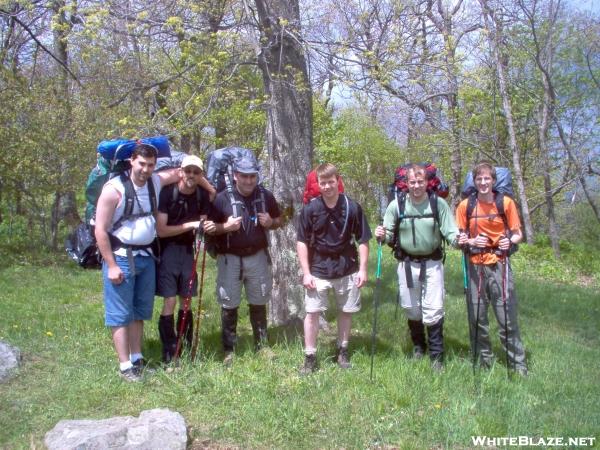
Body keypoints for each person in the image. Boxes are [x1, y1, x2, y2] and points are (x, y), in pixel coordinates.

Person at [95, 143, 181, 382]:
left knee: (139, 312)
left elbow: (179, 172)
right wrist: (111, 265)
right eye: (142, 163)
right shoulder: (114, 190)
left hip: (146, 257)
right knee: (120, 313)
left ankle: (137, 359)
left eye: (151, 164)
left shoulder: (154, 182)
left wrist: (208, 187)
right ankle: (125, 367)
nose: (146, 169)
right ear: (132, 160)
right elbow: (100, 231)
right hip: (121, 257)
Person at [375, 164, 458, 370]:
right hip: (407, 263)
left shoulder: (438, 204)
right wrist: (381, 235)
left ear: (427, 182)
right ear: (406, 183)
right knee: (411, 308)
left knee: (434, 308)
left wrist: (460, 240)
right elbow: (387, 233)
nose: (416, 186)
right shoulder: (397, 205)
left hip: (432, 262)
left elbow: (451, 232)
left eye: (420, 182)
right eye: (412, 182)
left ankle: (437, 356)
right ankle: (419, 347)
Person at [203, 156, 282, 366]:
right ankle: (229, 349)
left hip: (257, 255)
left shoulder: (265, 196)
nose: (248, 181)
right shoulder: (221, 199)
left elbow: (280, 219)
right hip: (229, 257)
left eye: (252, 176)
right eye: (244, 176)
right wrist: (224, 228)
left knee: (259, 300)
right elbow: (208, 228)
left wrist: (271, 221)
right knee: (229, 303)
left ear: (257, 176)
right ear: (235, 176)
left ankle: (262, 346)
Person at [296, 163, 371, 374]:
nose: (328, 186)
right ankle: (310, 356)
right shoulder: (310, 209)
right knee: (312, 313)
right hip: (318, 268)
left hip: (347, 267)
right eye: (323, 183)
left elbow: (363, 240)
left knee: (346, 311)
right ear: (318, 184)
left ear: (338, 181)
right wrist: (306, 272)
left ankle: (343, 350)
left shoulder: (352, 207)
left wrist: (363, 270)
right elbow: (301, 241)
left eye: (331, 181)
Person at [456, 161, 528, 375]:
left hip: (500, 265)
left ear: (494, 181)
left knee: (506, 317)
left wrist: (510, 241)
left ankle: (518, 365)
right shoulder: (465, 206)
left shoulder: (505, 203)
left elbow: (517, 233)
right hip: (474, 267)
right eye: (479, 179)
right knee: (477, 317)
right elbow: (460, 238)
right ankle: (483, 361)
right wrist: (470, 242)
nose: (483, 182)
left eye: (487, 178)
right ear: (474, 181)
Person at [155, 155, 212, 364]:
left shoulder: (201, 195)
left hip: (188, 251)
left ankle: (185, 347)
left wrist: (203, 227)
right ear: (181, 171)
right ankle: (169, 350)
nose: (191, 175)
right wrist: (189, 226)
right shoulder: (168, 193)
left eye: (196, 172)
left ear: (201, 175)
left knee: (186, 300)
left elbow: (204, 221)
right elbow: (161, 230)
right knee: (169, 299)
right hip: (168, 250)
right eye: (188, 171)